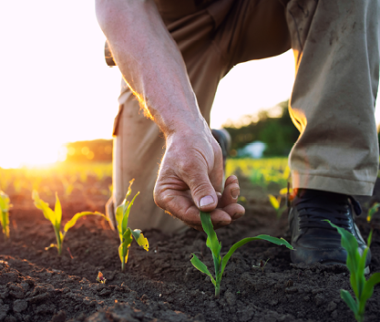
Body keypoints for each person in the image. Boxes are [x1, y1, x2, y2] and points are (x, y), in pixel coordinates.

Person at [96, 0, 380, 268]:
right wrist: (181, 128)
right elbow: (120, 7)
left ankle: (324, 191)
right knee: (146, 224)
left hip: (267, 9)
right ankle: (206, 145)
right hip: (176, 20)